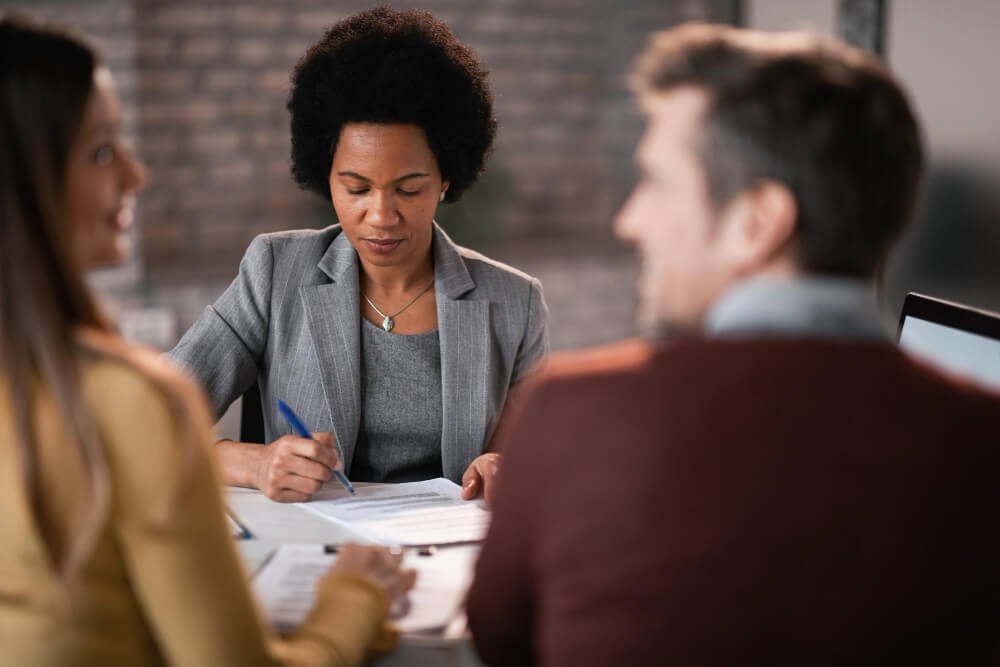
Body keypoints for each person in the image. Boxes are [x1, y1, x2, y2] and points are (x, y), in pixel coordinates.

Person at [467, 24, 1000, 666]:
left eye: (657, 182)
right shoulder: (982, 437)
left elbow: (497, 644)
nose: (629, 220)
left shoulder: (574, 415)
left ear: (757, 222)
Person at [0, 14, 415, 666]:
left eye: (409, 187)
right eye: (102, 152)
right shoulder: (135, 396)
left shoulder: (512, 298)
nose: (136, 174)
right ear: (25, 178)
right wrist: (355, 597)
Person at [168, 7, 548, 505]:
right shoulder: (274, 272)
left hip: (448, 547)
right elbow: (150, 420)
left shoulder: (515, 303)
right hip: (313, 541)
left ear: (446, 179)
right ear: (326, 176)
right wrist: (253, 463)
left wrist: (502, 467)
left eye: (408, 189)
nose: (381, 215)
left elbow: (529, 461)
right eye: (356, 188)